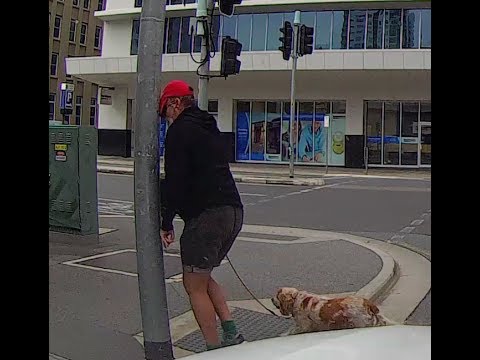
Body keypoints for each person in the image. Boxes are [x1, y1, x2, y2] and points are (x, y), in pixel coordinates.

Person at [158, 80, 245, 350]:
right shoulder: (208, 125)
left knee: (193, 285)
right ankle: (231, 332)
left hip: (207, 216)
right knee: (203, 277)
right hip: (233, 211)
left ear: (174, 103)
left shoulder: (179, 132)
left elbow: (176, 180)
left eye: (165, 112)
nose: (166, 119)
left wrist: (166, 221)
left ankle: (213, 348)